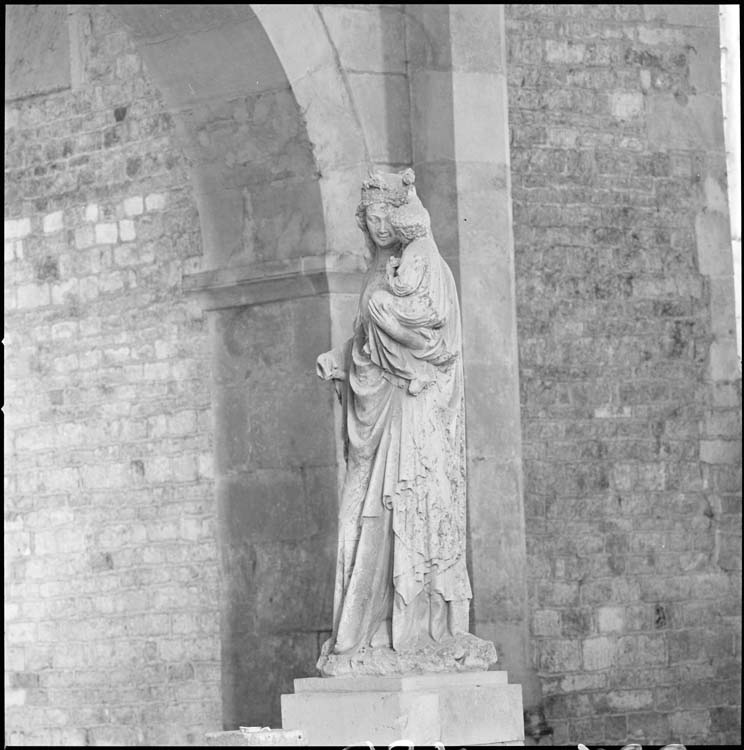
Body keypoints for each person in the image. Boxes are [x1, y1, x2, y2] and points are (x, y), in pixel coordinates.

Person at [315, 169, 476, 672]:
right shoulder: (383, 275)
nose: (378, 225)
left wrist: (391, 352)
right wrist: (342, 358)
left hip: (413, 414)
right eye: (370, 216)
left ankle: (409, 633)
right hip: (384, 409)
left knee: (406, 510)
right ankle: (371, 632)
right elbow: (371, 338)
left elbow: (436, 340)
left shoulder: (426, 268)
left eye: (385, 214)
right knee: (366, 517)